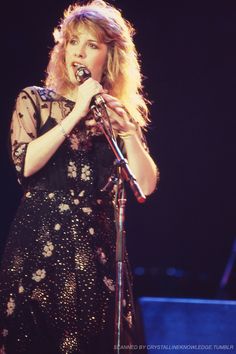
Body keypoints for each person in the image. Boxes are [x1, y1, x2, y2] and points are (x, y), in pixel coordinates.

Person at [0, 0, 159, 353]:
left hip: (97, 259)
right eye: (73, 42)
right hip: (39, 254)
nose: (79, 53)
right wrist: (74, 114)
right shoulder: (36, 101)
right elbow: (24, 163)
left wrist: (129, 131)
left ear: (109, 56)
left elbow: (145, 185)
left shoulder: (117, 118)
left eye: (92, 45)